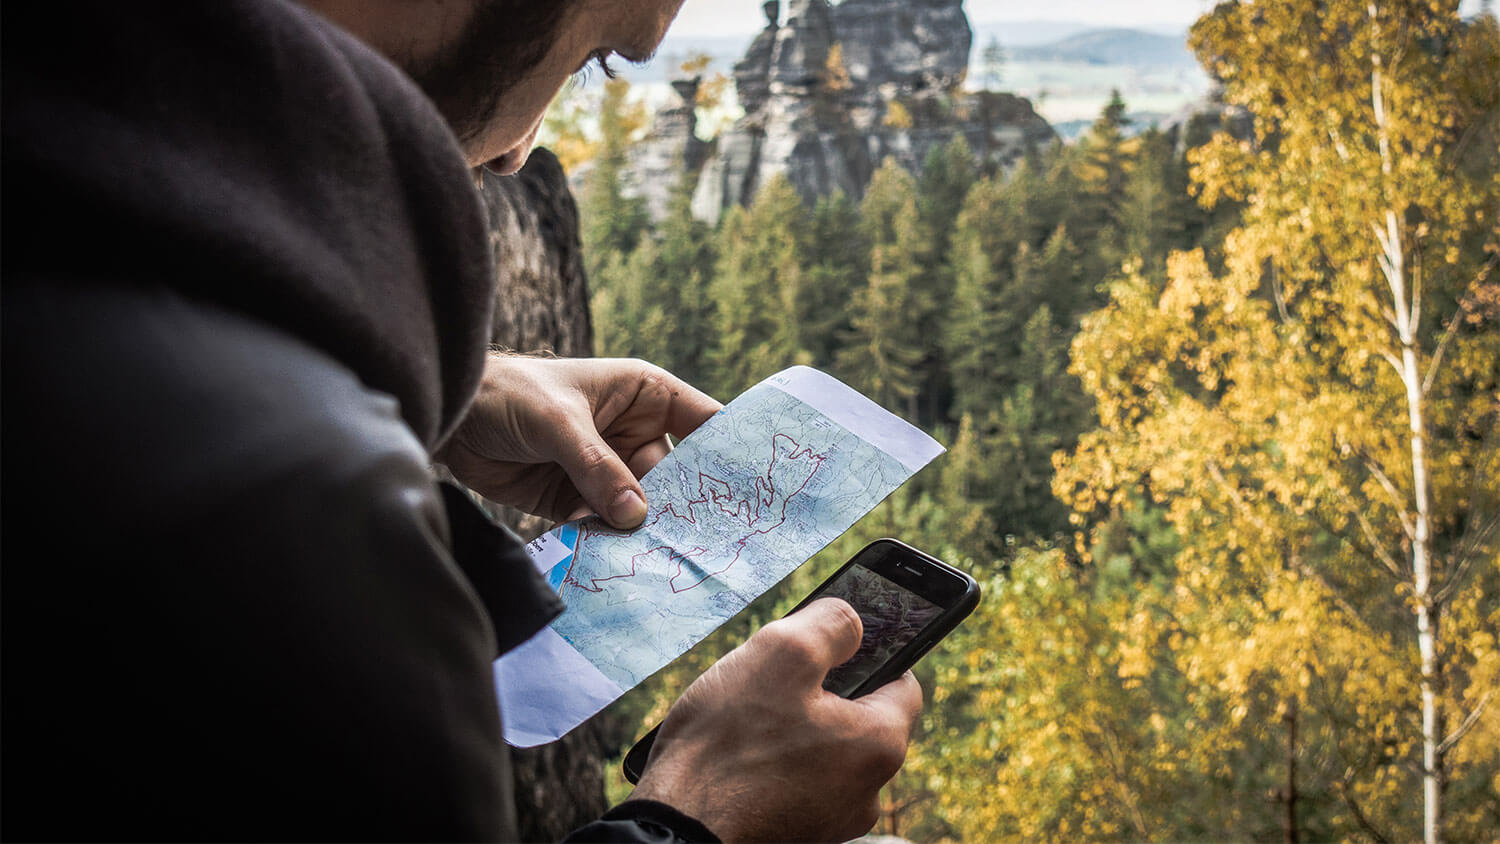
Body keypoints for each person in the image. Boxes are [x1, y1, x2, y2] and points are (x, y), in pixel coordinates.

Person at [0, 0, 923, 841]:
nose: (520, 152)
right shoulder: (297, 526)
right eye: (595, 57)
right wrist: (698, 819)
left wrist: (453, 387)